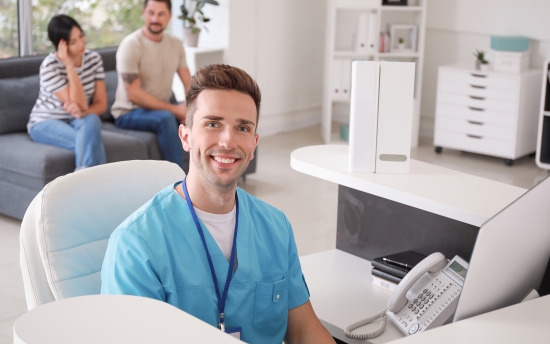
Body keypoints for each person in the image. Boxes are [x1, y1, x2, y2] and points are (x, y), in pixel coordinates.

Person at [101, 64, 335, 344]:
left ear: (254, 144)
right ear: (186, 137)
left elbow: (303, 330)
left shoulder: (276, 227)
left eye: (243, 128)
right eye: (213, 124)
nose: (228, 141)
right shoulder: (135, 244)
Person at [110, 0, 191, 169]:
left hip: (162, 108)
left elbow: (188, 81)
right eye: (151, 13)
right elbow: (134, 94)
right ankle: (177, 182)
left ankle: (205, 179)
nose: (155, 18)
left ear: (169, 16)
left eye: (161, 14)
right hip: (129, 113)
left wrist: (191, 109)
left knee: (199, 119)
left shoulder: (175, 44)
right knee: (167, 118)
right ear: (144, 13)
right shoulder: (131, 45)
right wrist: (176, 110)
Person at [28, 14, 106, 170]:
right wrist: (69, 66)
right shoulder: (50, 66)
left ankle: (83, 182)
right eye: (73, 42)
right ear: (61, 45)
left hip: (78, 119)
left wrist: (84, 112)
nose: (81, 44)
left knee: (92, 120)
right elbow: (80, 103)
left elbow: (101, 105)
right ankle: (90, 182)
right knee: (89, 141)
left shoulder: (93, 59)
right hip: (45, 122)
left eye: (81, 36)